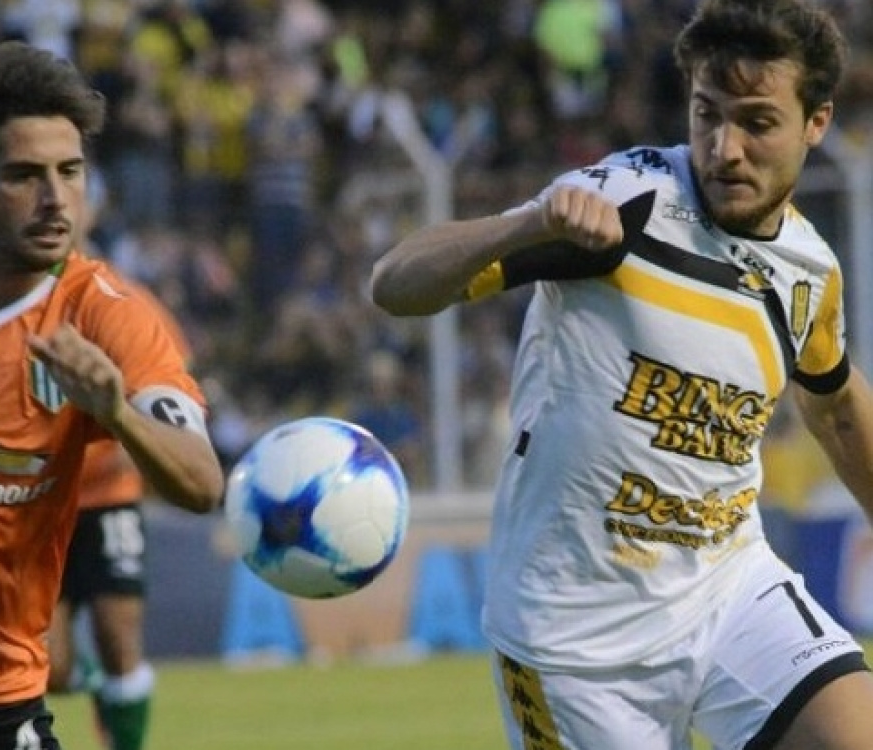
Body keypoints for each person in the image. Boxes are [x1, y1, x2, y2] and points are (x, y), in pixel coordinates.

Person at [370, 1, 873, 748]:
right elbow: (395, 285)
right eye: (707, 114)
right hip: (572, 638)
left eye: (758, 123)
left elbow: (835, 407)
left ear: (816, 123)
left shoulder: (809, 271)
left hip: (729, 590)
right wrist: (533, 223)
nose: (725, 149)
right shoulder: (627, 203)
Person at [0, 40, 225, 750]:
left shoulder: (109, 314)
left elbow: (201, 483)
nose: (56, 199)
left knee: (96, 646)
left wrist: (116, 413)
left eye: (71, 171)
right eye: (24, 176)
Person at [46, 280, 193, 750]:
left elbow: (174, 374)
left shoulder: (123, 300)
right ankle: (88, 679)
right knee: (49, 667)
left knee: (119, 636)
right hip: (41, 501)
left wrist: (144, 435)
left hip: (111, 496)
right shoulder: (14, 296)